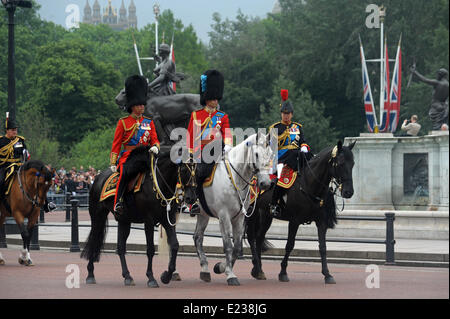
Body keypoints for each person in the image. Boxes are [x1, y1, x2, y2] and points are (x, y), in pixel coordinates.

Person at [110, 75, 160, 216]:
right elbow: (116, 143)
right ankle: (118, 202)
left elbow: (155, 140)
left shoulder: (149, 122)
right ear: (132, 106)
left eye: (143, 105)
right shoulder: (123, 122)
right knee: (124, 174)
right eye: (139, 105)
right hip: (129, 156)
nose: (142, 107)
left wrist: (156, 146)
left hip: (146, 155)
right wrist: (114, 162)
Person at [186, 70, 232, 214]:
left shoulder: (222, 117)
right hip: (202, 152)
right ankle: (195, 202)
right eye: (213, 98)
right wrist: (192, 153)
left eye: (217, 98)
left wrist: (229, 146)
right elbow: (190, 136)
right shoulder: (197, 115)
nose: (215, 101)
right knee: (198, 174)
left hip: (219, 150)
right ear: (206, 98)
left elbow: (227, 134)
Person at [268, 90, 312, 218]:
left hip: (297, 156)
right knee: (281, 175)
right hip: (282, 158)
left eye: (288, 114)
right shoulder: (275, 128)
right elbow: (272, 148)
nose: (286, 116)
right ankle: (274, 202)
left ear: (292, 114)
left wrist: (304, 147)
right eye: (284, 113)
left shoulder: (298, 127)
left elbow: (303, 141)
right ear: (281, 114)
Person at [0, 116, 56, 212]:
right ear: (7, 131)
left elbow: (25, 154)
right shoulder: (1, 141)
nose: (15, 132)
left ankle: (46, 204)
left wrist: (26, 162)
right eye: (13, 130)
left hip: (19, 166)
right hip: (4, 167)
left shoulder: (20, 141)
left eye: (16, 130)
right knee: (0, 182)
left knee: (38, 181)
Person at [410, 66, 449, 130]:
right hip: (445, 106)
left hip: (436, 105)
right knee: (442, 124)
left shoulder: (437, 83)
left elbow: (425, 80)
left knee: (436, 125)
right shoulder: (448, 85)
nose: (437, 76)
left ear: (441, 75)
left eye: (438, 74)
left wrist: (415, 72)